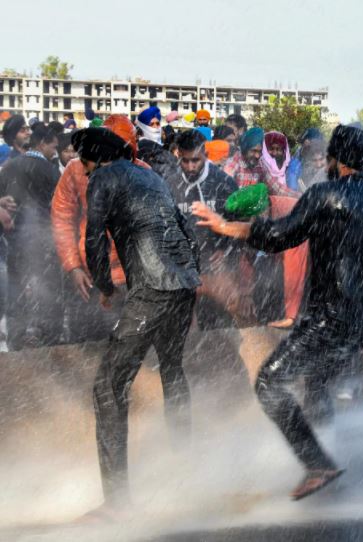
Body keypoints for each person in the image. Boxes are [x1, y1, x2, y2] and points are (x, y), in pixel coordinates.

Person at [191, 125, 363, 500]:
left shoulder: (325, 195)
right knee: (318, 383)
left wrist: (225, 226)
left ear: (337, 160)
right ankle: (327, 455)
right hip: (358, 321)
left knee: (269, 383)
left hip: (328, 317)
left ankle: (317, 463)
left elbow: (279, 235)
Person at [77, 127, 200, 521]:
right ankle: (188, 468)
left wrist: (104, 285)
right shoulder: (150, 175)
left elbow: (94, 238)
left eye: (83, 162)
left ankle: (116, 502)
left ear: (92, 158)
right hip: (183, 284)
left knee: (108, 388)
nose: (82, 170)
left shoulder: (102, 178)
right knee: (172, 369)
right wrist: (190, 274)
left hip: (153, 288)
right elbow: (186, 231)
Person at [52, 116, 150, 343]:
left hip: (131, 277)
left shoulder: (144, 173)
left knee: (130, 345)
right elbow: (61, 218)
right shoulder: (77, 169)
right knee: (85, 342)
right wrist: (73, 266)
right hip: (87, 275)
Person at [171, 129, 247, 375]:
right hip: (185, 269)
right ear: (178, 156)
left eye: (196, 160)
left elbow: (241, 226)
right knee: (185, 329)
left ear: (205, 155)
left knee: (223, 323)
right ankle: (194, 372)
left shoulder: (223, 182)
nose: (191, 166)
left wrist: (227, 251)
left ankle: (226, 374)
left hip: (218, 269)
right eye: (186, 160)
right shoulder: (169, 183)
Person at [0, 123, 65, 349]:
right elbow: (60, 206)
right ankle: (48, 339)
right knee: (48, 291)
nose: (54, 152)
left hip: (16, 241)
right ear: (42, 143)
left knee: (17, 290)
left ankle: (17, 340)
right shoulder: (50, 170)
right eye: (53, 147)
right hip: (45, 242)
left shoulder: (9, 166)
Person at [261, 131, 298, 196]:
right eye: (271, 149)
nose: (274, 153)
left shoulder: (287, 166)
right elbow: (277, 189)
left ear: (284, 151)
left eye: (278, 149)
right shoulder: (262, 164)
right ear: (265, 150)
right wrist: (299, 195)